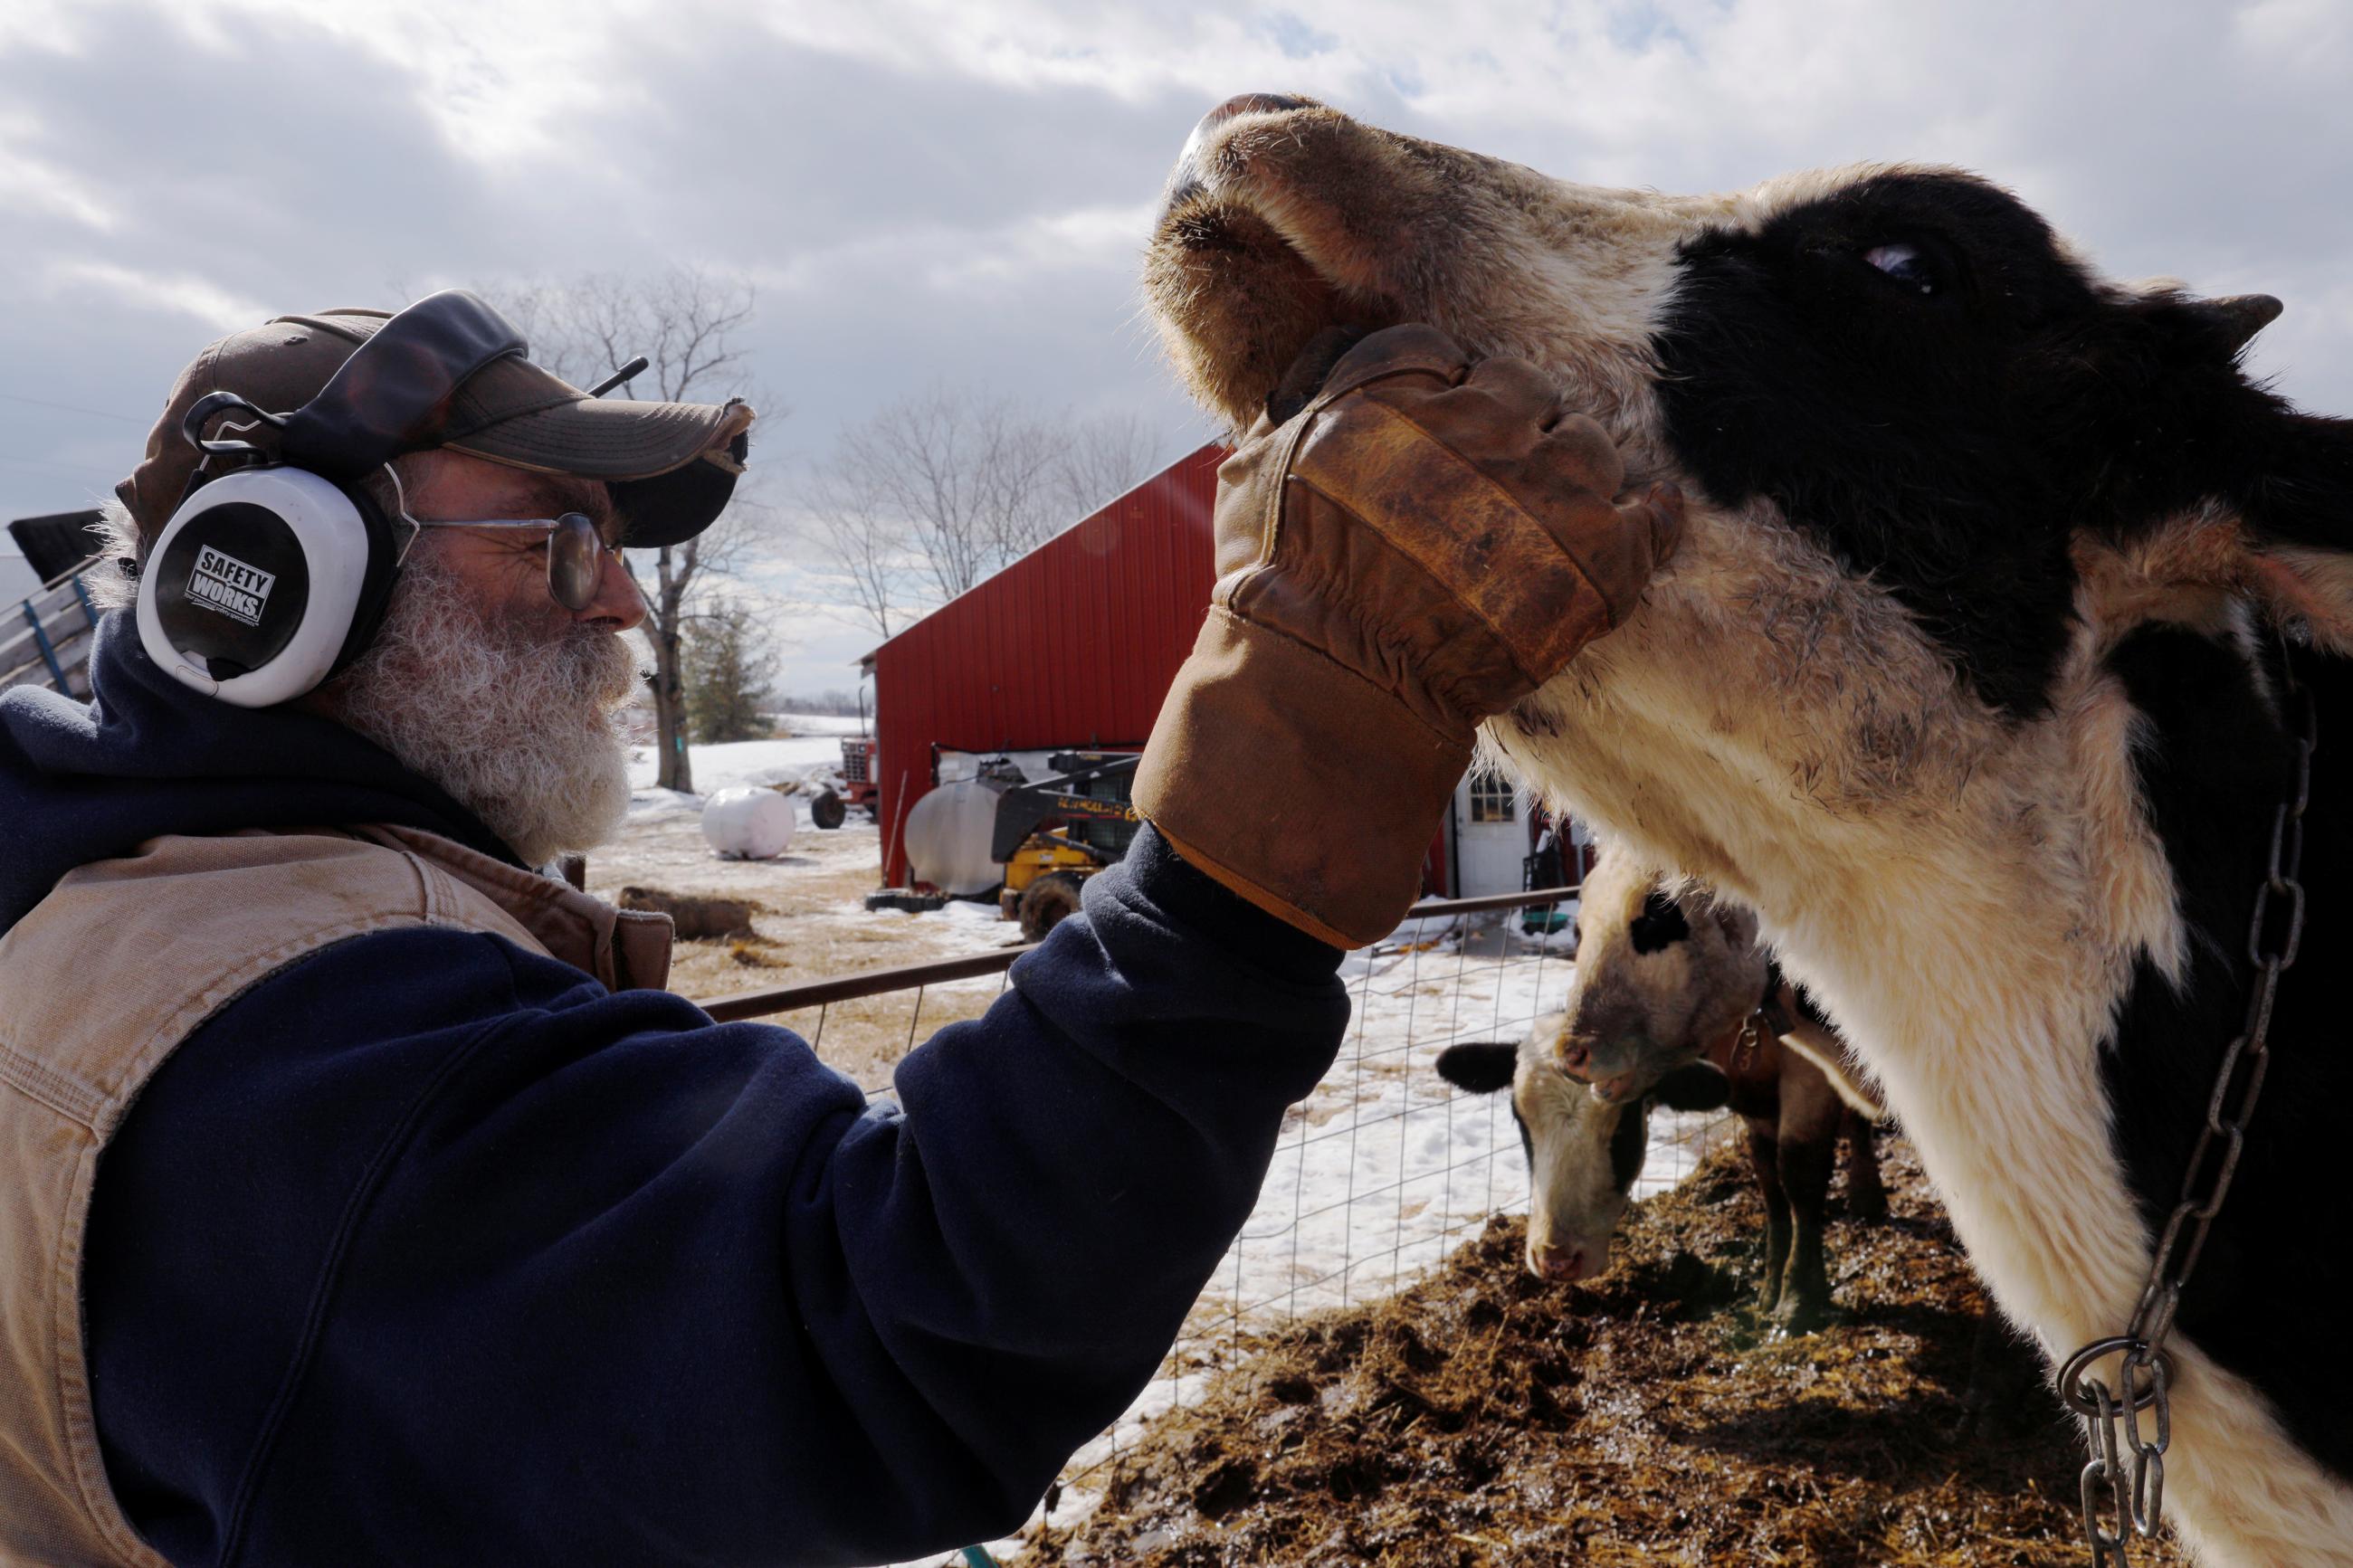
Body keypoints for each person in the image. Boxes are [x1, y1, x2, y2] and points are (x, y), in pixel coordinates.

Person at [0, 300, 1679, 1567]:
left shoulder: (122, 897)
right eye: (553, 539)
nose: (616, 602)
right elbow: (877, 1319)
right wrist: (1255, 841)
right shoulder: (292, 1039)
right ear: (271, 581)